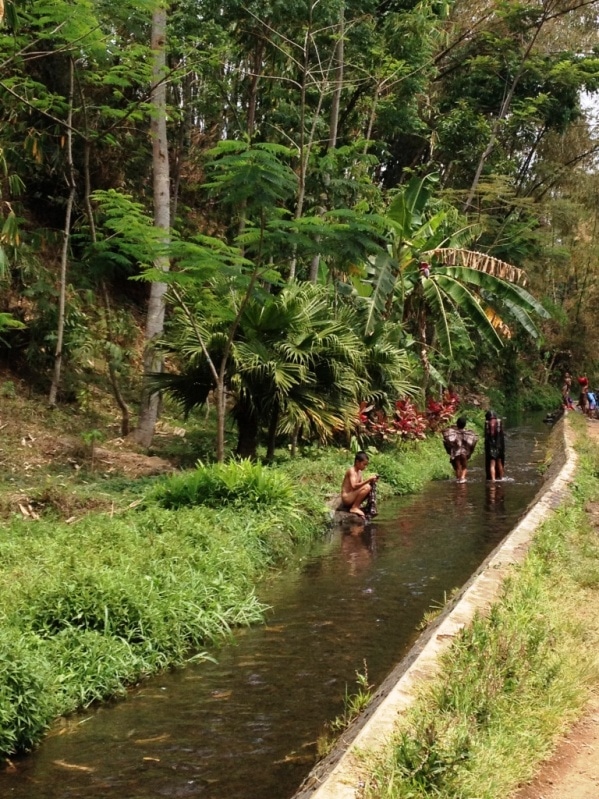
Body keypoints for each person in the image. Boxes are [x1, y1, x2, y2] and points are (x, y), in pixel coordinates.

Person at [340, 451, 379, 518]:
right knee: (367, 487)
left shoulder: (359, 472)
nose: (365, 467)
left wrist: (372, 481)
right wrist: (368, 480)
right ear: (357, 462)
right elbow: (354, 486)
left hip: (352, 496)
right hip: (347, 498)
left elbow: (361, 486)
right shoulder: (351, 471)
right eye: (364, 464)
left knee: (369, 487)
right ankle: (354, 507)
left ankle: (356, 505)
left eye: (366, 465)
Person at [442, 417, 478, 483]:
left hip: (456, 453)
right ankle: (463, 478)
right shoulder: (468, 434)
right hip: (464, 453)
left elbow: (446, 441)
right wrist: (470, 452)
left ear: (457, 424)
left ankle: (459, 480)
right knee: (464, 467)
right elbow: (473, 443)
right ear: (465, 424)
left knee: (458, 468)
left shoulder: (453, 433)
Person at [484, 410, 505, 481]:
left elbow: (486, 436)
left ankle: (493, 479)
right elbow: (501, 435)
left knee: (492, 464)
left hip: (490, 446)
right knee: (499, 462)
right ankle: (501, 478)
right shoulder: (499, 422)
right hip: (499, 446)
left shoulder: (487, 423)